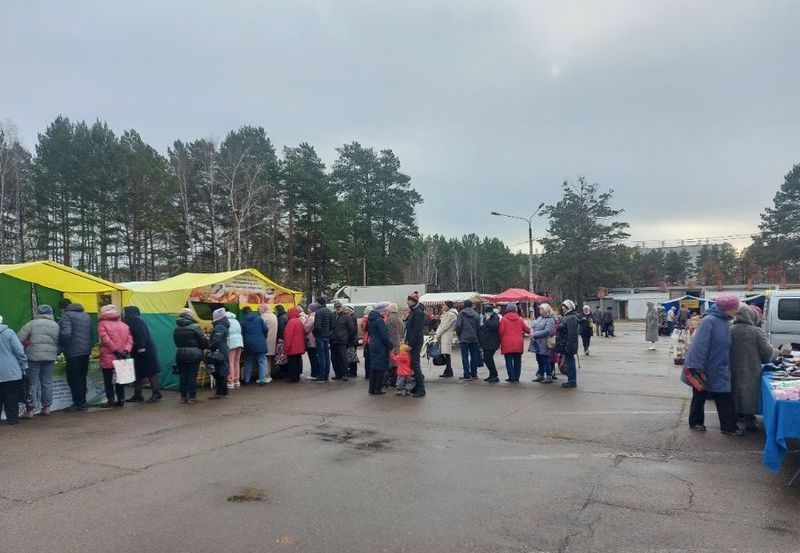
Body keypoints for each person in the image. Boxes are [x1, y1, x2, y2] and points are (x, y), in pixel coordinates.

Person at [685, 295, 742, 436]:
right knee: (700, 395)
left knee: (723, 396)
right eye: (735, 308)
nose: (737, 311)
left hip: (719, 366)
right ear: (726, 309)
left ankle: (728, 427)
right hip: (704, 367)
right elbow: (699, 346)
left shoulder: (724, 321)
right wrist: (697, 367)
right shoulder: (709, 321)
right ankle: (696, 422)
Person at [730, 305, 777, 432]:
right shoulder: (756, 331)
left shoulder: (730, 330)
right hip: (751, 369)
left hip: (732, 369)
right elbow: (767, 353)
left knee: (735, 392)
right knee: (749, 394)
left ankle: (735, 418)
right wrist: (777, 353)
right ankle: (749, 420)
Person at [17, 305, 60, 417]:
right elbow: (58, 341)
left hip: (33, 357)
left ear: (39, 312)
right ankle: (46, 407)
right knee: (47, 382)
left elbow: (19, 339)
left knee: (33, 383)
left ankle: (31, 410)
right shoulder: (55, 325)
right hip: (50, 357)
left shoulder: (32, 323)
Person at [59, 298, 93, 412]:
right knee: (82, 377)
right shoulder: (86, 315)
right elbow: (91, 333)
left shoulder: (66, 315)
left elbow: (66, 333)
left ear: (62, 308)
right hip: (86, 351)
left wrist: (62, 346)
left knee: (73, 378)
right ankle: (83, 402)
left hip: (73, 352)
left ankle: (78, 403)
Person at [123, 306, 162, 403]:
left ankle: (156, 392)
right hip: (140, 349)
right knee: (138, 372)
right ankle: (138, 394)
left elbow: (141, 334)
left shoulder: (135, 320)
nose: (123, 313)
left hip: (143, 350)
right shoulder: (135, 319)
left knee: (150, 371)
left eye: (124, 312)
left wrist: (141, 347)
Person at [97, 305, 133, 408]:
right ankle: (121, 399)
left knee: (108, 380)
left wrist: (115, 350)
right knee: (120, 379)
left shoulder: (102, 324)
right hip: (122, 356)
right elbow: (130, 339)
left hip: (108, 355)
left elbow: (105, 339)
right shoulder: (124, 325)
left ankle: (110, 400)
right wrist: (126, 351)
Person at [173, 307, 208, 404]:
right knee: (192, 375)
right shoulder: (195, 327)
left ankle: (183, 397)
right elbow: (204, 342)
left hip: (181, 354)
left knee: (183, 375)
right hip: (194, 354)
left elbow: (176, 343)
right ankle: (192, 397)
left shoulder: (176, 329)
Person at [0, 314, 27, 425]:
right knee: (11, 395)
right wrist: (23, 366)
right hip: (11, 370)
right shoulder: (9, 332)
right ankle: (12, 419)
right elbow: (19, 350)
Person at [498, 303, 531, 383]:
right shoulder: (520, 319)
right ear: (516, 310)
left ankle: (511, 377)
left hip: (507, 343)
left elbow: (501, 331)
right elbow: (527, 330)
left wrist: (500, 339)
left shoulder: (504, 319)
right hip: (518, 343)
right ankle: (517, 377)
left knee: (508, 361)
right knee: (517, 361)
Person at [366, 302, 392, 394]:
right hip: (380, 346)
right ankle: (378, 388)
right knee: (380, 367)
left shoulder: (371, 319)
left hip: (372, 344)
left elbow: (367, 329)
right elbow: (384, 335)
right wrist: (390, 345)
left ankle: (371, 388)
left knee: (373, 367)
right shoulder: (379, 321)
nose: (386, 312)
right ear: (382, 311)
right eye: (386, 310)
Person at [405, 292, 426, 397]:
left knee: (415, 364)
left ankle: (421, 388)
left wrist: (411, 344)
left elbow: (417, 330)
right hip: (413, 342)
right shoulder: (414, 312)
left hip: (416, 342)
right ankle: (417, 386)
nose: (407, 301)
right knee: (413, 364)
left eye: (409, 300)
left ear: (413, 301)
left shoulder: (418, 313)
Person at [241, 306, 269, 386]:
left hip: (248, 344)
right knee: (262, 361)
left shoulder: (243, 322)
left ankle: (246, 380)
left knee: (248, 361)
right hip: (260, 342)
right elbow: (266, 329)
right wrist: (263, 337)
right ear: (251, 311)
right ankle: (262, 380)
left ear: (244, 313)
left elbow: (241, 333)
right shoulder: (259, 319)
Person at [455, 299, 481, 381]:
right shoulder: (476, 314)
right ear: (471, 305)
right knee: (474, 356)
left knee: (465, 356)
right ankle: (474, 373)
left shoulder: (461, 314)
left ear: (464, 305)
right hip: (474, 338)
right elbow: (478, 326)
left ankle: (467, 374)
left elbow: (458, 326)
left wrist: (459, 334)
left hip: (464, 338)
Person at [556, 300, 580, 388]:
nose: (562, 308)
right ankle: (571, 379)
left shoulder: (571, 318)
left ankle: (572, 381)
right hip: (565, 344)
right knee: (569, 362)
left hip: (568, 345)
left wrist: (568, 346)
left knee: (570, 362)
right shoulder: (567, 316)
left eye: (564, 306)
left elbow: (572, 334)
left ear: (568, 307)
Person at [207, 308, 230, 399]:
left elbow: (217, 341)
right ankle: (224, 391)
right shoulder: (224, 325)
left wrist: (209, 347)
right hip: (223, 350)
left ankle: (219, 392)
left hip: (218, 352)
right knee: (222, 371)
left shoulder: (219, 327)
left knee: (217, 372)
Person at [531, 303, 556, 383]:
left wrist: (535, 334)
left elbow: (548, 331)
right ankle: (541, 375)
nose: (540, 310)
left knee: (545, 359)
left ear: (545, 310)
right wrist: (531, 329)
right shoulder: (539, 318)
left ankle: (549, 376)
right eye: (539, 309)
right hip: (537, 343)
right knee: (539, 359)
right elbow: (534, 326)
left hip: (545, 343)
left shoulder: (550, 319)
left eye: (541, 309)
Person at [435, 300, 458, 378]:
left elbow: (444, 326)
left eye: (444, 305)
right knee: (446, 353)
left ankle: (448, 370)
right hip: (445, 335)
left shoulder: (451, 314)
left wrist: (437, 334)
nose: (443, 307)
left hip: (446, 335)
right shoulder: (449, 313)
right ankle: (448, 370)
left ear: (448, 306)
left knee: (447, 353)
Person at [330, 302, 353, 380]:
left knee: (343, 358)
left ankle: (345, 374)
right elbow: (330, 327)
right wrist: (331, 335)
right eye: (336, 307)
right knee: (334, 358)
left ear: (341, 307)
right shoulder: (333, 315)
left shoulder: (346, 317)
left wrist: (346, 338)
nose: (338, 308)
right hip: (333, 340)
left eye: (339, 307)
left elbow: (351, 329)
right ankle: (338, 374)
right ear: (334, 307)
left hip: (342, 340)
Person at [312, 297, 334, 381]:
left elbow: (317, 325)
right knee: (327, 355)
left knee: (321, 356)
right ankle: (326, 374)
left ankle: (322, 375)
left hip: (320, 336)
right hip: (327, 336)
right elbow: (332, 325)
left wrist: (315, 333)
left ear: (319, 303)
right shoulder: (329, 311)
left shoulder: (318, 312)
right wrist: (329, 333)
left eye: (316, 302)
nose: (315, 304)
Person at [283, 307, 306, 383]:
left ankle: (293, 378)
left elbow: (288, 336)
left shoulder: (291, 322)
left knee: (292, 363)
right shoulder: (299, 321)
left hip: (293, 346)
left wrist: (286, 347)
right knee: (297, 361)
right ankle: (297, 376)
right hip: (299, 345)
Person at [479, 305, 501, 383]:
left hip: (492, 342)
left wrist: (487, 320)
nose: (485, 313)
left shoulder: (495, 317)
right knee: (487, 359)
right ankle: (492, 375)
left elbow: (493, 326)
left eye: (486, 312)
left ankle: (495, 375)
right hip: (487, 342)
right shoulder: (488, 317)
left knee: (488, 358)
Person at [386, 303, 404, 388]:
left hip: (391, 343)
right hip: (398, 342)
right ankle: (397, 380)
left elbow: (387, 332)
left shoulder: (390, 319)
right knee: (397, 362)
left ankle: (393, 381)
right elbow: (402, 331)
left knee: (392, 362)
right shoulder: (399, 318)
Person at [259, 304, 278, 376]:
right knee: (269, 359)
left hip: (265, 340)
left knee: (265, 359)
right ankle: (269, 374)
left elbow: (261, 329)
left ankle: (266, 375)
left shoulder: (263, 317)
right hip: (273, 340)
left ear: (264, 309)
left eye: (260, 309)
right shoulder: (274, 316)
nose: (259, 311)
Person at [226, 311, 243, 389]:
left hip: (231, 343)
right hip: (239, 342)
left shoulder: (226, 321)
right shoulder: (236, 321)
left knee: (230, 362)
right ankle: (237, 380)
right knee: (236, 362)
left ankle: (230, 381)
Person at [304, 303, 319, 380]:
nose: (307, 309)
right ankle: (316, 372)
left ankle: (314, 373)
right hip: (315, 339)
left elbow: (306, 329)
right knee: (315, 357)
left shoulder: (311, 318)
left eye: (309, 308)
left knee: (313, 357)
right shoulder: (316, 316)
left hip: (311, 340)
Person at [361, 306, 373, 380]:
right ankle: (370, 374)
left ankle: (367, 374)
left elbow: (363, 329)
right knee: (371, 358)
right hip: (370, 340)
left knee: (367, 358)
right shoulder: (370, 320)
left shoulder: (363, 320)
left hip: (365, 340)